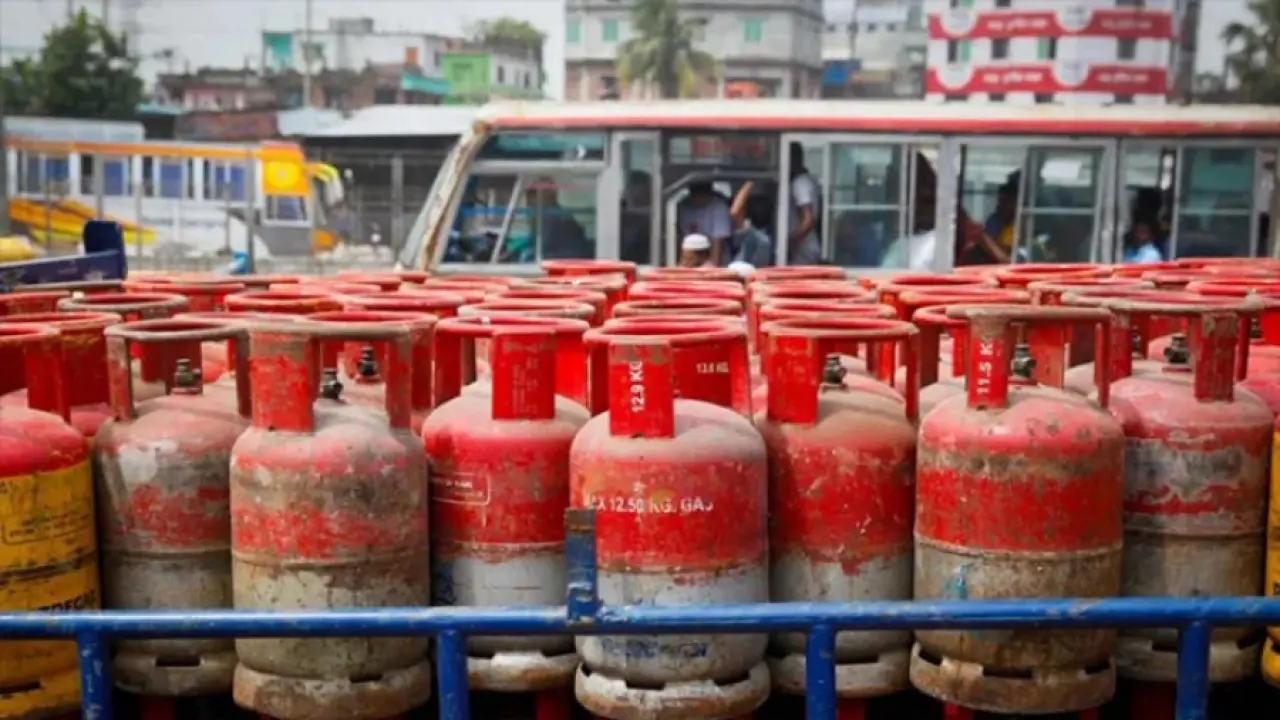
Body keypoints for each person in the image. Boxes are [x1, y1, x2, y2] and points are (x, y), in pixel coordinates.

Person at [677, 181, 733, 266]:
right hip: (689, 256)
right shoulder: (684, 206)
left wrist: (712, 270)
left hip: (713, 259)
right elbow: (679, 237)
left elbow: (717, 243)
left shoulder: (719, 207)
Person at [787, 143, 824, 264]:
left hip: (803, 249)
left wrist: (792, 242)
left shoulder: (800, 183)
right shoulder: (809, 180)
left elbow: (808, 219)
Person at [724, 181, 775, 268]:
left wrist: (749, 184)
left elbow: (734, 212)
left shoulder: (753, 235)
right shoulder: (769, 236)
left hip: (743, 274)